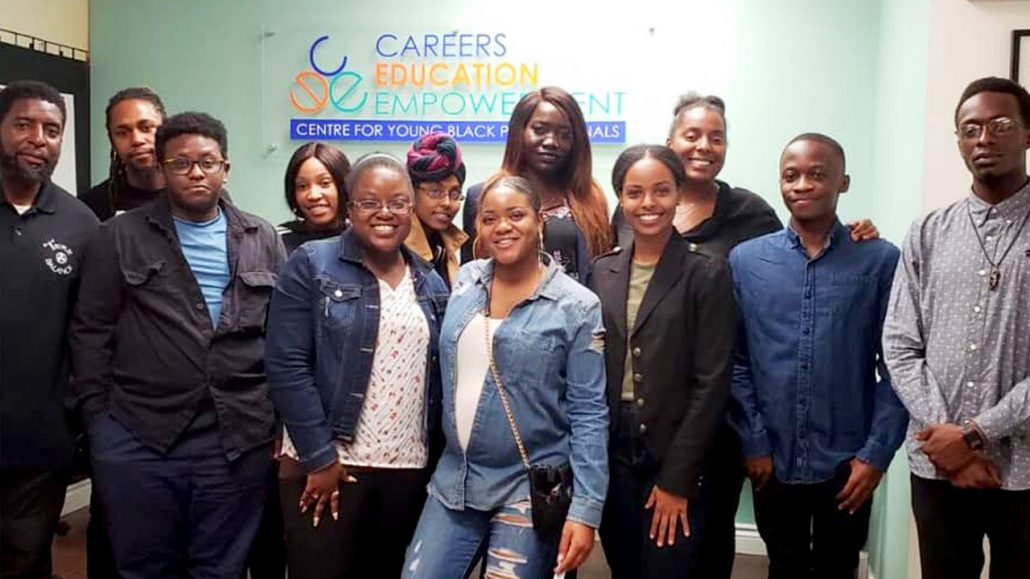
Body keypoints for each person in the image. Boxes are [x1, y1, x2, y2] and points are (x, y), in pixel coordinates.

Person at [610, 93, 879, 578]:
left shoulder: (750, 215)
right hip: (645, 411)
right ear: (671, 142)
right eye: (692, 135)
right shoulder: (632, 214)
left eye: (716, 137)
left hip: (718, 413)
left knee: (705, 538)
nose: (704, 146)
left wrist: (858, 234)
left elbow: (802, 264)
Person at [69, 112, 286, 579]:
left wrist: (275, 420)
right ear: (163, 169)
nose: (195, 172)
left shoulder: (262, 238)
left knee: (221, 568)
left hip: (236, 439)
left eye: (207, 162)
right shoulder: (116, 237)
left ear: (225, 168)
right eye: (181, 162)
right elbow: (90, 333)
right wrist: (100, 426)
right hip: (140, 435)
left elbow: (281, 338)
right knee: (146, 568)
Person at [403, 175, 608, 578]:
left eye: (516, 215)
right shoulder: (466, 282)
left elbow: (589, 414)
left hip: (528, 485)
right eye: (489, 218)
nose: (502, 227)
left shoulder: (578, 306)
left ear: (539, 223)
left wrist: (586, 510)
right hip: (456, 478)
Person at [730, 133, 907, 579]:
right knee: (783, 565)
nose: (803, 184)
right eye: (791, 176)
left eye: (817, 174)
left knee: (838, 566)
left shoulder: (879, 260)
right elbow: (735, 360)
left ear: (843, 183)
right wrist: (752, 440)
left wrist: (876, 454)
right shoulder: (747, 261)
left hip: (848, 461)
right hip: (771, 457)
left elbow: (898, 366)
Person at [266, 152, 449, 578]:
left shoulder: (430, 282)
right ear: (350, 208)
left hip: (404, 474)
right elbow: (286, 365)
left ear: (411, 209)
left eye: (398, 202)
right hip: (327, 470)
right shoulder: (312, 263)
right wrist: (320, 458)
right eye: (369, 202)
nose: (385, 213)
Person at [883, 76, 1030, 579]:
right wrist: (947, 447)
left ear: (1027, 134)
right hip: (937, 467)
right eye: (970, 129)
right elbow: (900, 345)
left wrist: (972, 435)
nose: (983, 139)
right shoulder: (928, 231)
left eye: (1000, 125)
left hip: (1026, 467)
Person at [591, 145, 736, 578]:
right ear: (621, 198)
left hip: (675, 454)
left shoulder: (706, 273)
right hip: (614, 455)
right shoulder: (602, 271)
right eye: (635, 192)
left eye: (661, 190)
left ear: (678, 194)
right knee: (624, 566)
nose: (648, 203)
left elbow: (712, 382)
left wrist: (677, 479)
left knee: (668, 569)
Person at [0, 79, 99, 579]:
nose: (39, 138)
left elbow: (91, 332)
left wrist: (74, 412)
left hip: (40, 443)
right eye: (23, 125)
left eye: (52, 129)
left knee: (26, 563)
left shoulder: (82, 226)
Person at [461, 87, 610, 282]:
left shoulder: (590, 198)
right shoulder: (482, 196)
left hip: (576, 310)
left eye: (564, 134)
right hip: (504, 310)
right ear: (519, 132)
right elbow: (470, 278)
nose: (551, 141)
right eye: (539, 130)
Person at [81, 87, 166, 221]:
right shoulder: (90, 207)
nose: (137, 140)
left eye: (146, 128)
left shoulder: (191, 196)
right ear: (112, 140)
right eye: (122, 132)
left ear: (166, 129)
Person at [405, 131, 469, 287]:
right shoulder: (396, 247)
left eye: (455, 194)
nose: (447, 202)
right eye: (435, 192)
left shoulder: (445, 246)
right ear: (411, 191)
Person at [278, 141, 350, 253]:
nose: (313, 195)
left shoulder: (362, 237)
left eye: (325, 183)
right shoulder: (278, 240)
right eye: (302, 186)